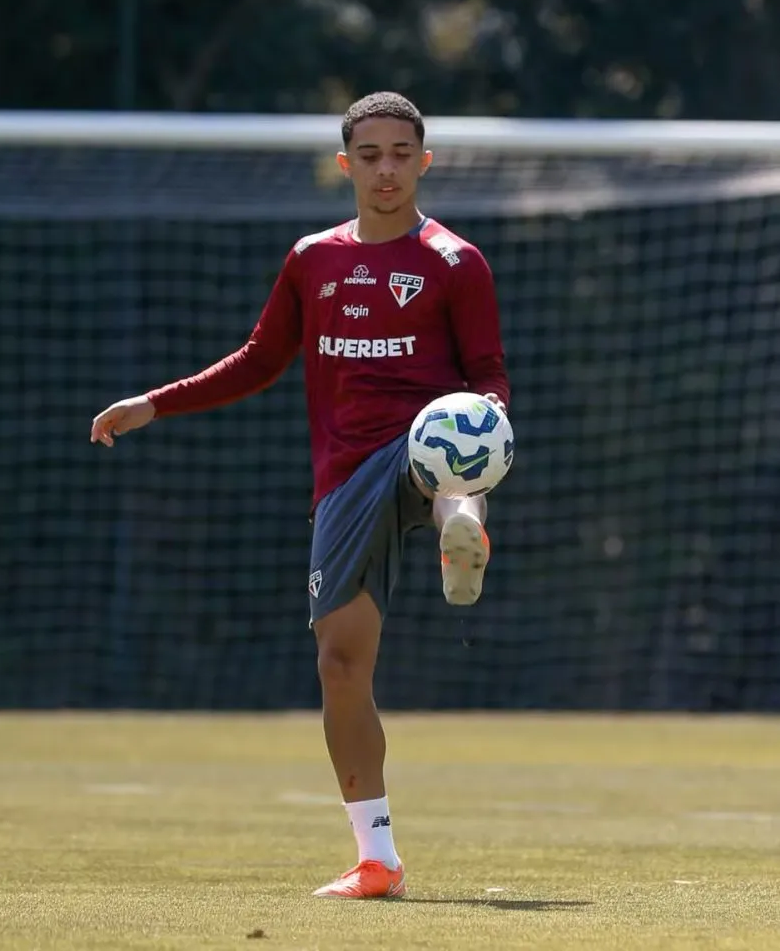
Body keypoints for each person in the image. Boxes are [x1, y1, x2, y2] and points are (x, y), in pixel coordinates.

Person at [90, 91, 510, 899]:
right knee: (340, 665)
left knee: (450, 438)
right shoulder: (312, 258)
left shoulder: (455, 262)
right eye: (370, 154)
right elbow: (257, 360)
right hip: (345, 474)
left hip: (423, 442)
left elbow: (487, 375)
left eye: (400, 154)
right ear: (345, 163)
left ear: (424, 163)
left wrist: (488, 414)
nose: (385, 168)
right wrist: (155, 402)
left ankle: (462, 521)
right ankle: (376, 858)